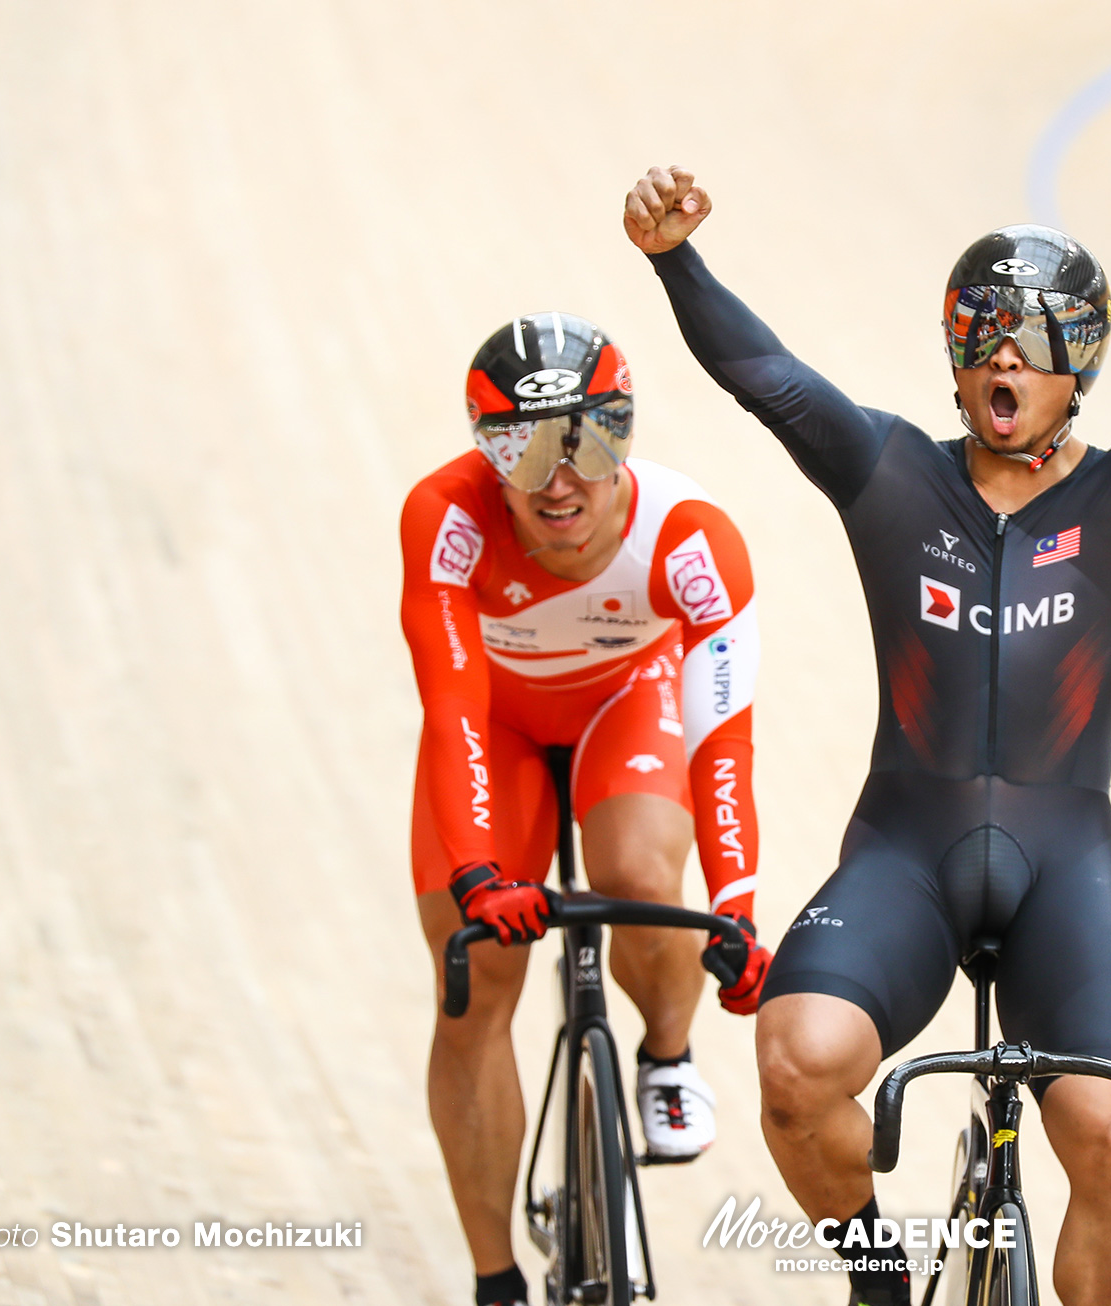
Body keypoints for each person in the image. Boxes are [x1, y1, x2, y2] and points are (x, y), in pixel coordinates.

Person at [624, 164, 1111, 1306]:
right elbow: (770, 381)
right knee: (795, 1067)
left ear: (1081, 367)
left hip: (1064, 869)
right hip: (906, 852)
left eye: (1038, 336)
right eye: (983, 331)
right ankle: (877, 1278)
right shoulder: (892, 472)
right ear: (954, 354)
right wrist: (675, 259)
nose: (1006, 354)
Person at [400, 310, 775, 1306]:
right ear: (484, 451)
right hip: (501, 731)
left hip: (628, 703)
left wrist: (735, 904)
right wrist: (480, 871)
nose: (557, 480)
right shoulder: (446, 517)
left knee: (646, 879)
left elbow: (721, 742)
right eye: (518, 448)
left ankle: (664, 1052)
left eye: (588, 439)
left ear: (626, 434)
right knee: (475, 989)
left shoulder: (690, 537)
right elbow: (454, 707)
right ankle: (496, 1282)